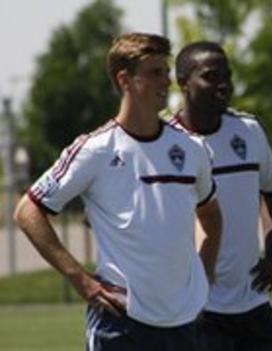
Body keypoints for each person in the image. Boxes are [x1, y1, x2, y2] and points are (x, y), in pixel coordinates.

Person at [13, 33, 222, 351]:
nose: (166, 81)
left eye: (166, 72)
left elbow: (210, 215)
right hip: (121, 323)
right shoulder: (94, 149)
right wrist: (81, 280)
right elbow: (28, 212)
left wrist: (204, 275)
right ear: (125, 79)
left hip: (183, 324)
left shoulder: (191, 149)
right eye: (155, 73)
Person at [172, 41, 272, 351]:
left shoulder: (249, 131)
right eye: (211, 77)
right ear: (183, 83)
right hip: (198, 311)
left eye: (227, 76)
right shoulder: (164, 142)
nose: (224, 85)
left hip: (253, 303)